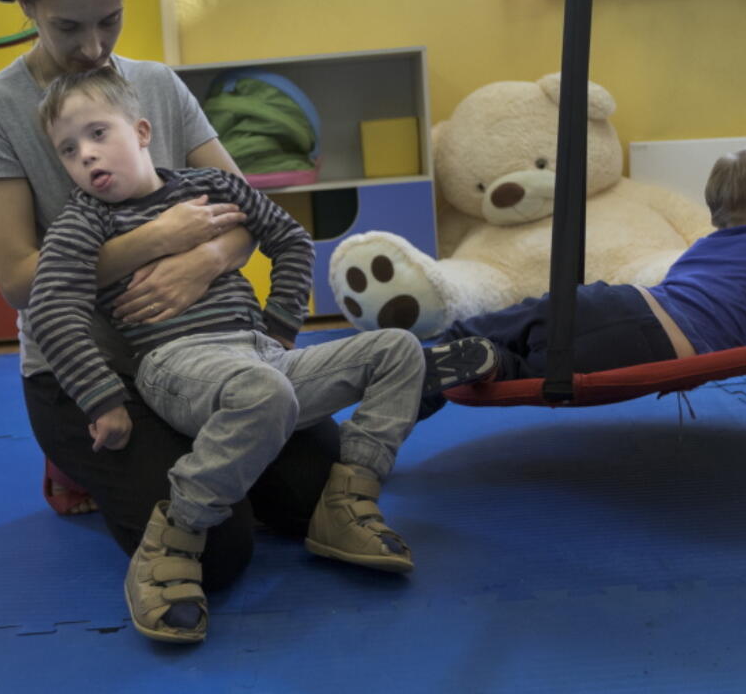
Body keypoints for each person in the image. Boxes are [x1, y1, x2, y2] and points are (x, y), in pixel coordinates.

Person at [0, 0, 343, 590]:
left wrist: (212, 258)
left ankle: (195, 444)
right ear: (26, 4)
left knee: (322, 488)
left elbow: (246, 210)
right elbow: (18, 279)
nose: (92, 47)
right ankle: (88, 456)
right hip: (89, 373)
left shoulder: (158, 86)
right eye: (68, 27)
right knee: (218, 552)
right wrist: (162, 239)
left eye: (110, 20)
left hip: (206, 348)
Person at [27, 67, 499, 643]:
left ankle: (344, 505)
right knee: (265, 394)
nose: (87, 158)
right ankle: (171, 538)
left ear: (142, 130)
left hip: (258, 355)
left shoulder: (213, 186)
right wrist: (102, 398)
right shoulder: (85, 221)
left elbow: (290, 239)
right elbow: (51, 307)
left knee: (399, 351)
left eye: (98, 134)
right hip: (178, 365)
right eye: (69, 151)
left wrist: (279, 329)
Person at [419, 146, 746, 417]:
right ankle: (492, 360)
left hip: (621, 301)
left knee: (530, 320)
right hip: (652, 343)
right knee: (541, 371)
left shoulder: (700, 248)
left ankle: (438, 352)